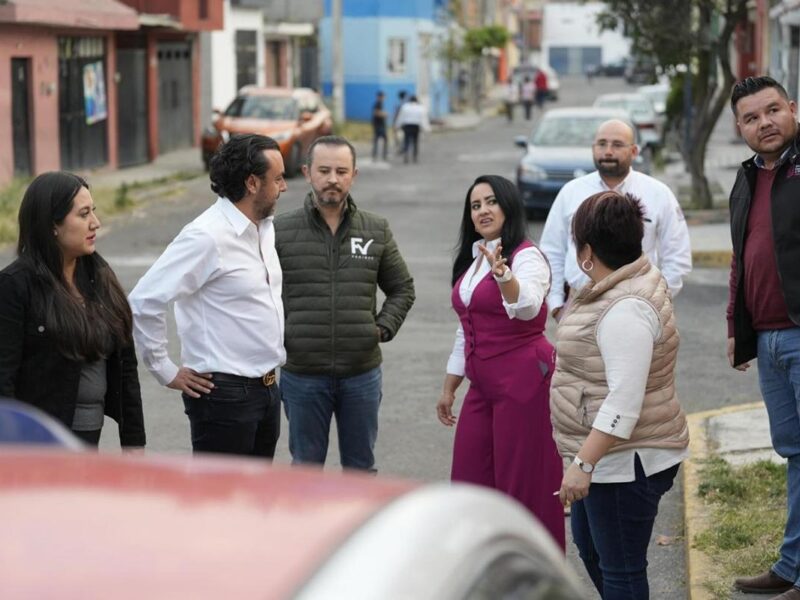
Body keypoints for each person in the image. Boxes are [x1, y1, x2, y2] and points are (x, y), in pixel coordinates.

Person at [551, 190, 689, 600]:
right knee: (593, 552)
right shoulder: (617, 284)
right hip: (606, 459)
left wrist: (582, 465)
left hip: (625, 462)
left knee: (622, 572)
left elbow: (623, 403)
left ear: (587, 251)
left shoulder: (625, 307)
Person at [128, 134, 287, 457]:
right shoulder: (206, 236)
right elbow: (145, 300)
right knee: (220, 503)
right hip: (224, 398)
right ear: (252, 183)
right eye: (278, 178)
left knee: (255, 502)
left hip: (268, 388)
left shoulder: (263, 227)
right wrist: (165, 370)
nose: (283, 187)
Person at [436, 175, 565, 549]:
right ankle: (485, 566)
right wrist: (449, 386)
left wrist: (504, 275)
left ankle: (535, 570)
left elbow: (527, 307)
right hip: (484, 386)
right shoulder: (474, 258)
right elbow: (467, 327)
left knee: (524, 484)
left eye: (490, 201)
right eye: (475, 206)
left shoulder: (526, 255)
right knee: (469, 478)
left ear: (507, 205)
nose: (483, 210)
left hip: (525, 381)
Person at [274, 135, 415, 472]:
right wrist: (279, 334)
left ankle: (359, 527)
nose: (332, 179)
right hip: (302, 374)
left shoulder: (375, 229)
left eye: (341, 171)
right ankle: (309, 528)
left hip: (361, 374)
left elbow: (402, 288)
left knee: (360, 468)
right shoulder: (279, 230)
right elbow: (258, 293)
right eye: (324, 170)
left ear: (354, 175)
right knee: (306, 467)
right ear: (307, 173)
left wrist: (382, 327)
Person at [0, 171, 145, 449]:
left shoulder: (100, 276)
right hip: (36, 443)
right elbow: (3, 378)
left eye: (94, 212)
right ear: (52, 225)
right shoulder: (14, 286)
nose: (96, 223)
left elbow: (126, 366)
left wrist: (134, 442)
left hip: (90, 438)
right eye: (83, 214)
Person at [727, 76, 800, 600]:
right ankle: (793, 564)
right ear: (740, 128)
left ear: (792, 108)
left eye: (772, 110)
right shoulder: (747, 177)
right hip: (771, 341)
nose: (764, 123)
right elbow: (741, 258)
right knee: (795, 452)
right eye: (752, 118)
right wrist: (737, 328)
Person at [540, 119, 692, 322]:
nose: (608, 151)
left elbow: (677, 255)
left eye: (617, 144)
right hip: (578, 306)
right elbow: (552, 250)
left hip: (639, 306)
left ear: (634, 151)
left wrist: (656, 300)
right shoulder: (571, 192)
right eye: (602, 144)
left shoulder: (658, 193)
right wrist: (557, 305)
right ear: (593, 148)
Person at [395, 95, 431, 164]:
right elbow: (423, 119)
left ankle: (406, 155)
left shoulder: (405, 107)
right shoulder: (420, 108)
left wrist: (397, 126)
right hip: (415, 127)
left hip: (407, 126)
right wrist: (427, 129)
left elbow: (401, 117)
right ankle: (415, 156)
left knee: (406, 141)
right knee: (415, 142)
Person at [371, 90, 388, 161]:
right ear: (380, 97)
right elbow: (375, 113)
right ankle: (381, 154)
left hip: (380, 125)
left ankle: (377, 154)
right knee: (382, 139)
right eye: (383, 96)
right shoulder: (377, 103)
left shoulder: (380, 103)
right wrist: (384, 114)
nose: (384, 98)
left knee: (378, 139)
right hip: (379, 125)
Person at [392, 90, 408, 154]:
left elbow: (395, 115)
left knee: (398, 137)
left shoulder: (398, 105)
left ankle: (400, 149)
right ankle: (402, 149)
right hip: (404, 123)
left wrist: (394, 123)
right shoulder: (406, 105)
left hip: (399, 123)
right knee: (402, 137)